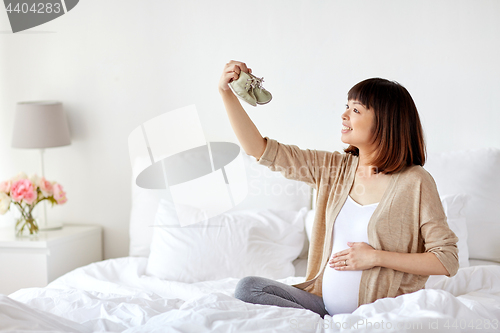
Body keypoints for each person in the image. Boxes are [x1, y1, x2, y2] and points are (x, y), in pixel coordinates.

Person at [218, 60, 459, 319]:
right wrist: (226, 93)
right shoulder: (334, 168)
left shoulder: (415, 181)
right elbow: (261, 150)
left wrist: (376, 257)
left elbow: (447, 259)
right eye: (347, 107)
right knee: (249, 288)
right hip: (324, 307)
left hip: (382, 313)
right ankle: (326, 323)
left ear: (385, 121)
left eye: (355, 110)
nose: (344, 115)